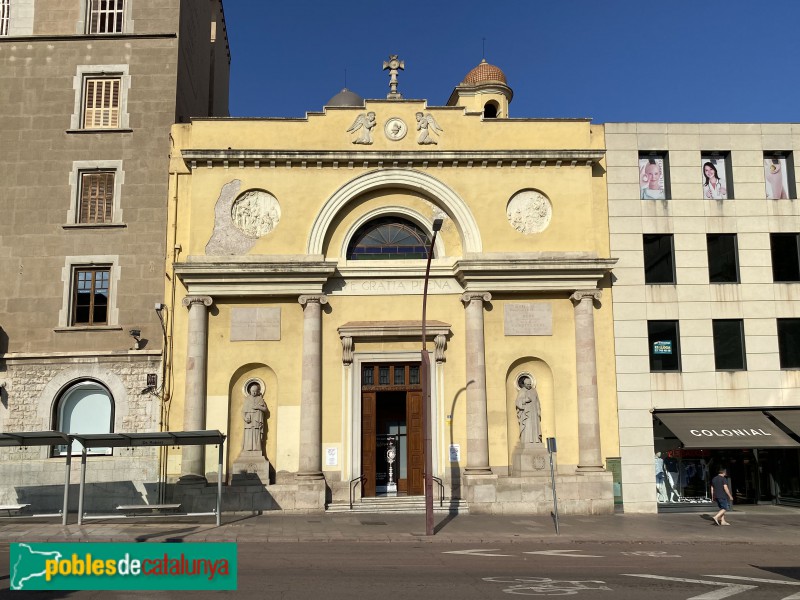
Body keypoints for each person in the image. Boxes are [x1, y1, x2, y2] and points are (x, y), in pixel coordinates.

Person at [242, 381, 268, 452]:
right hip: (249, 420)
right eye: (253, 391)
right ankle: (248, 448)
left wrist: (258, 407)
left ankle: (257, 448)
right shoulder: (247, 399)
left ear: (258, 391)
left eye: (255, 391)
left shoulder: (260, 399)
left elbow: (265, 410)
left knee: (257, 433)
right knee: (249, 433)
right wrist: (245, 418)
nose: (254, 392)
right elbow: (243, 411)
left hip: (257, 419)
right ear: (250, 391)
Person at [515, 376, 542, 445]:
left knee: (534, 426)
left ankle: (536, 441)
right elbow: (518, 402)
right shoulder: (522, 391)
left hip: (534, 412)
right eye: (527, 384)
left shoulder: (534, 391)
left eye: (530, 384)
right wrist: (525, 400)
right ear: (524, 384)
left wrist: (538, 410)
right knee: (528, 426)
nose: (529, 386)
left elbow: (537, 401)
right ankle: (527, 441)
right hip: (526, 413)